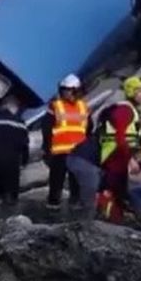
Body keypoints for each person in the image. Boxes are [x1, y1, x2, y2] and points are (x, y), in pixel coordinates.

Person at [96, 75, 141, 222]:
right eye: (140, 90)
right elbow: (120, 137)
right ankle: (109, 220)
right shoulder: (125, 110)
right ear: (131, 91)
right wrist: (130, 159)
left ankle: (114, 218)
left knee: (117, 190)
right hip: (115, 155)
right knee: (113, 190)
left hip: (117, 155)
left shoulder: (129, 109)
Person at [44, 74, 90, 208]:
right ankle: (53, 209)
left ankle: (74, 210)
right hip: (60, 152)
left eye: (68, 90)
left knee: (76, 184)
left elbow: (88, 129)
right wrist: (47, 150)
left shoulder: (84, 107)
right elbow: (46, 130)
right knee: (56, 185)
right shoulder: (55, 106)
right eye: (64, 89)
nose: (66, 92)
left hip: (77, 153)